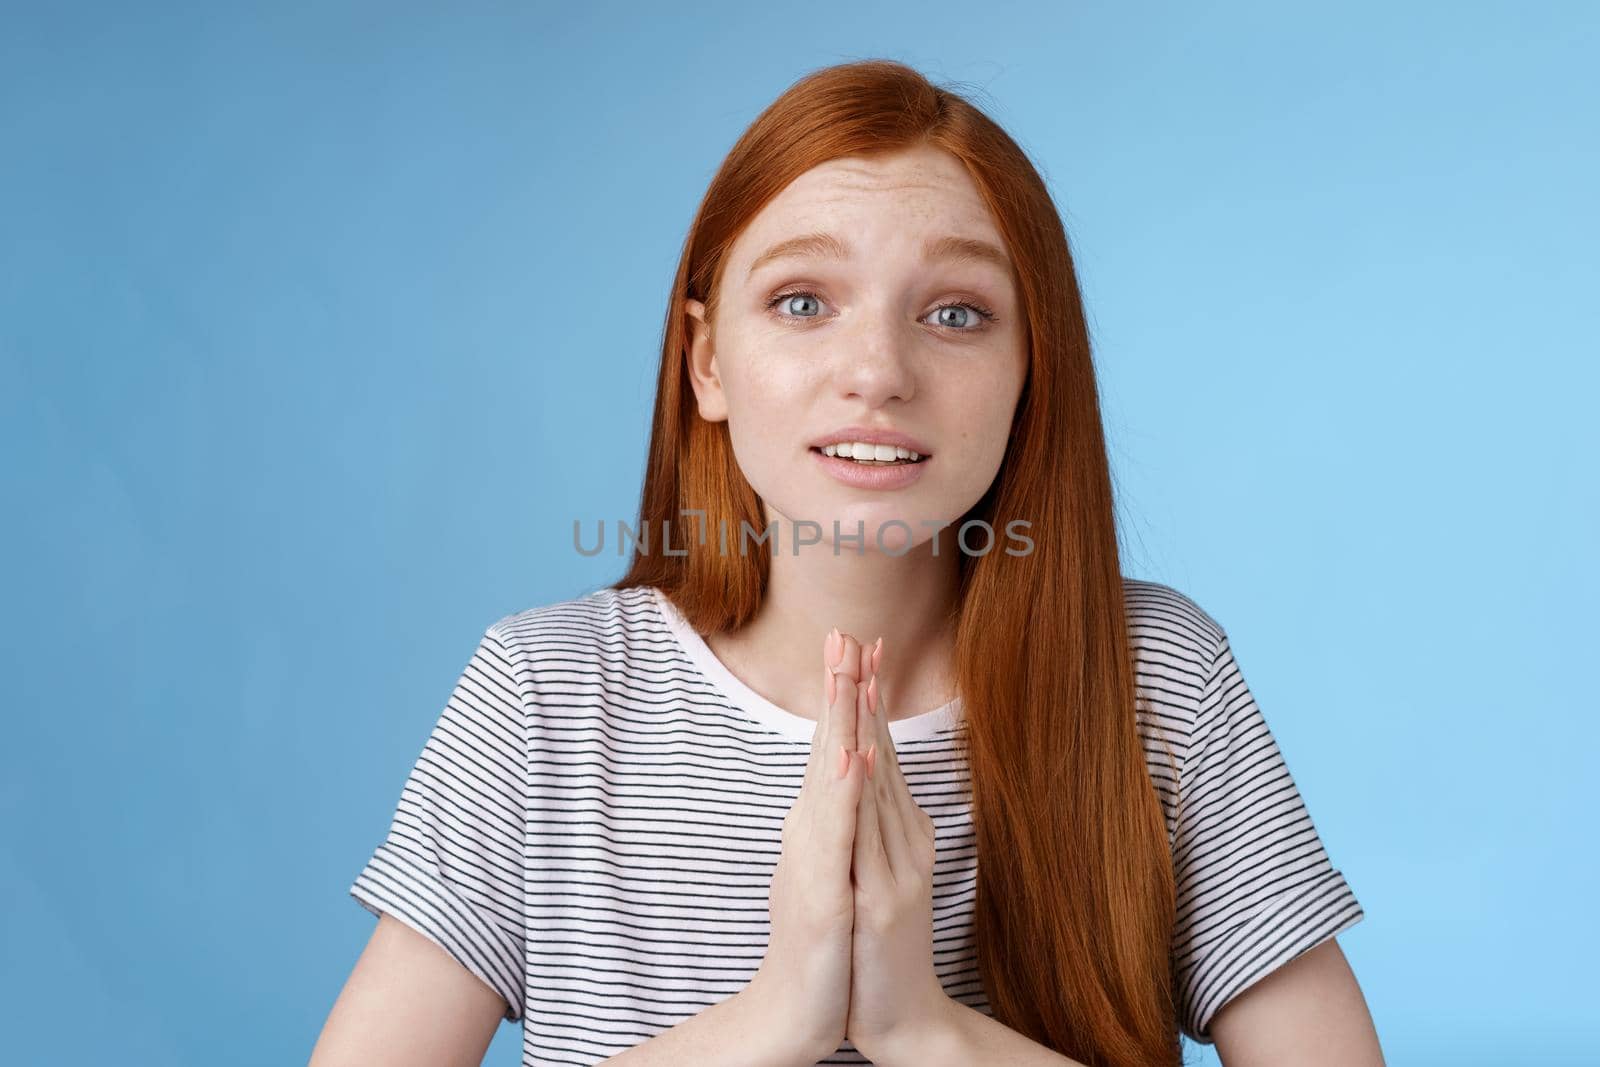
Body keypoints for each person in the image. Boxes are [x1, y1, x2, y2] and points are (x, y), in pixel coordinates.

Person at [310, 59, 1384, 1067]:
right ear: (708, 361)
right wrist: (773, 1015)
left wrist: (925, 1029)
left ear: (1031, 373)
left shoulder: (1156, 677)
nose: (876, 371)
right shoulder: (550, 690)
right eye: (802, 302)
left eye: (956, 313)